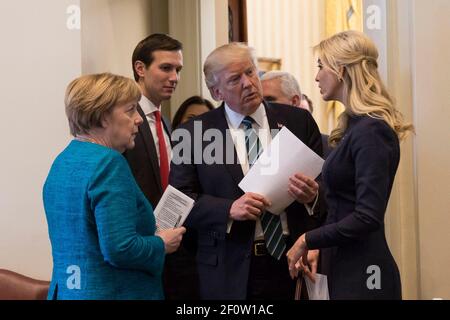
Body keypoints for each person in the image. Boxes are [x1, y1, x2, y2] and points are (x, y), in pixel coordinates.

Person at [170, 43, 324, 299]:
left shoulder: (299, 121)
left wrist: (313, 197)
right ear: (216, 92)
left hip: (292, 260)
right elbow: (180, 202)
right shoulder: (193, 134)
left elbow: (326, 188)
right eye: (235, 79)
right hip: (228, 268)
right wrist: (228, 209)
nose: (249, 83)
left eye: (251, 72)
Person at [286, 31, 414, 300]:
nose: (317, 76)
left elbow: (367, 216)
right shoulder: (354, 128)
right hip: (344, 265)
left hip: (365, 274)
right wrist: (321, 247)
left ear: (341, 70)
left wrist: (307, 239)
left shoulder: (371, 131)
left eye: (321, 67)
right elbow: (342, 209)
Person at [43, 73, 186, 299]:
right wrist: (161, 243)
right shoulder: (108, 163)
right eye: (130, 110)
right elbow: (120, 249)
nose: (138, 118)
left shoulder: (63, 160)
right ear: (102, 117)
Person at [261, 71, 332, 159]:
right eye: (261, 102)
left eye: (269, 101)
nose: (263, 107)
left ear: (294, 101)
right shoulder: (253, 138)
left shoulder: (328, 147)